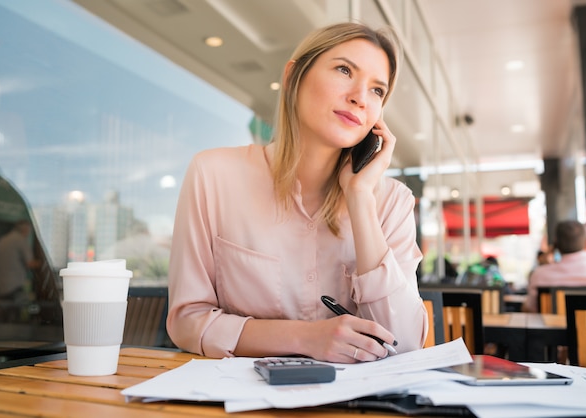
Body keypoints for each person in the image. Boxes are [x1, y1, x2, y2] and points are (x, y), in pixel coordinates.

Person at [166, 22, 427, 363]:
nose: (360, 98)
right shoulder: (212, 175)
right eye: (344, 70)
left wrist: (360, 198)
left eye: (378, 90)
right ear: (293, 77)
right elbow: (187, 322)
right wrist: (306, 338)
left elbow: (405, 345)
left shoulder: (392, 201)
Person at [523, 220, 586, 313]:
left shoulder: (540, 274)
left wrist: (542, 265)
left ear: (556, 244)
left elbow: (530, 308)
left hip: (552, 326)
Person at [0, 219, 40, 302]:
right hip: (15, 287)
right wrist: (41, 264)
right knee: (19, 311)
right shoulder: (21, 240)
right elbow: (30, 263)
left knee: (5, 312)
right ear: (25, 230)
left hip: (2, 286)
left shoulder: (2, 241)